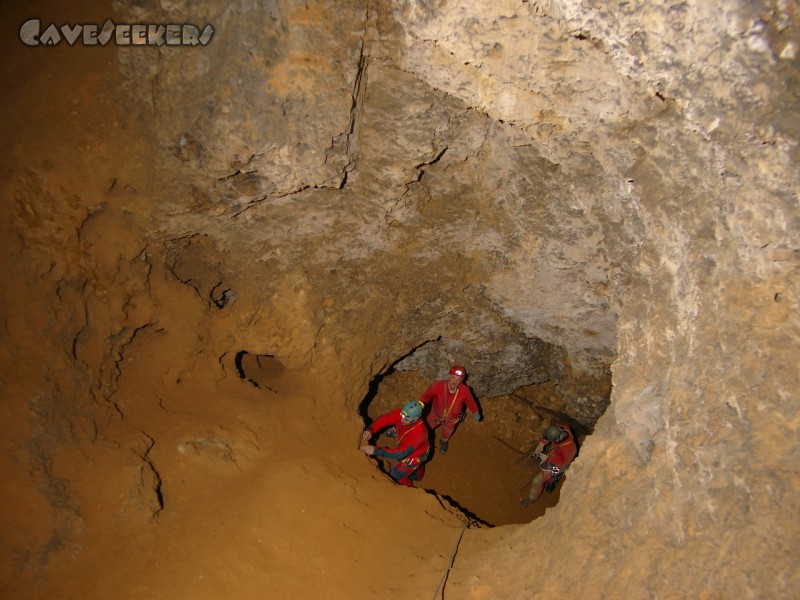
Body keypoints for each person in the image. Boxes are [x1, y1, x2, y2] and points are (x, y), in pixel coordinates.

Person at [360, 401, 431, 487]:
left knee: (395, 478)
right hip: (408, 446)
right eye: (401, 416)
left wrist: (376, 450)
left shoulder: (420, 433)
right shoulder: (402, 414)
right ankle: (416, 475)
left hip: (413, 456)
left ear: (414, 420)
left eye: (406, 419)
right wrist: (371, 430)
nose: (401, 419)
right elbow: (385, 419)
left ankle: (408, 489)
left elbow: (400, 453)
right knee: (414, 473)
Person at [418, 364, 481, 455]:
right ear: (449, 376)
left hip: (451, 420)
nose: (455, 381)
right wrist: (420, 405)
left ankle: (444, 442)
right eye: (453, 378)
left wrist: (475, 411)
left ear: (462, 381)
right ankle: (422, 443)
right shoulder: (438, 386)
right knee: (425, 429)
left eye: (458, 379)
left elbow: (470, 402)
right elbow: (426, 396)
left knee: (447, 432)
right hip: (435, 415)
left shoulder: (464, 391)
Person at [521, 423, 577, 506]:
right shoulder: (562, 428)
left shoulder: (570, 449)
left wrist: (544, 458)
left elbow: (560, 465)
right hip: (555, 455)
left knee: (537, 481)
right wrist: (542, 444)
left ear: (557, 440)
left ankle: (532, 498)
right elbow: (549, 436)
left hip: (558, 466)